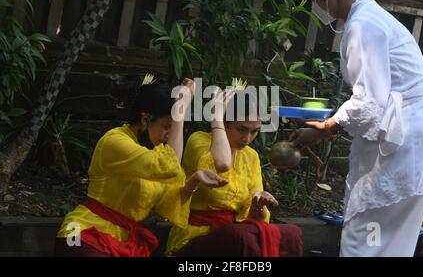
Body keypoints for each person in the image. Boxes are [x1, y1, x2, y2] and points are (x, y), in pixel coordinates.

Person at [289, 0, 423, 256]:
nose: (315, 4)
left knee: (362, 243)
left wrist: (326, 128)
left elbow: (369, 104)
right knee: (390, 245)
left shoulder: (362, 25)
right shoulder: (373, 16)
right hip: (418, 137)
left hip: (405, 142)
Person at [54, 77, 227, 257]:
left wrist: (194, 180)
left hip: (121, 242)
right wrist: (179, 112)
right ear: (145, 119)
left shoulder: (157, 152)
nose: (170, 135)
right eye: (167, 126)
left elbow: (168, 202)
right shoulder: (114, 141)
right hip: (80, 235)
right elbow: (167, 166)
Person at [165, 88, 303, 257]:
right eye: (242, 129)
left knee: (292, 233)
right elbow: (222, 163)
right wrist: (216, 118)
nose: (247, 139)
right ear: (224, 123)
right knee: (239, 237)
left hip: (234, 235)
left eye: (254, 131)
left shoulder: (251, 156)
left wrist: (258, 205)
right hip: (196, 237)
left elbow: (254, 217)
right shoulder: (199, 141)